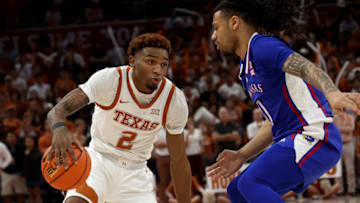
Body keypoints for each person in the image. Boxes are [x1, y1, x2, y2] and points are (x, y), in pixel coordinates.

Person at [206, 1, 360, 203]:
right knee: (237, 190)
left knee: (250, 183)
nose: (213, 36)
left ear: (234, 23)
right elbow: (273, 122)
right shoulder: (246, 70)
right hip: (292, 138)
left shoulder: (261, 46)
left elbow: (305, 66)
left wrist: (332, 93)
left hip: (314, 135)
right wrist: (241, 155)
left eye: (216, 27)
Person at [47, 33, 192, 203]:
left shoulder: (173, 100)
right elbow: (57, 110)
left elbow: (179, 160)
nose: (158, 70)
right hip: (98, 162)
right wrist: (58, 129)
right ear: (132, 61)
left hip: (136, 173)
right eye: (150, 62)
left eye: (164, 64)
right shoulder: (110, 80)